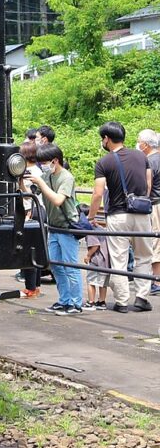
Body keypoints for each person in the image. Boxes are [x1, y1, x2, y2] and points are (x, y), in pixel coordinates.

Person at [88, 121, 153, 313]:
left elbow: (98, 193)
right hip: (141, 214)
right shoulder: (142, 156)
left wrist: (92, 216)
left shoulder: (104, 162)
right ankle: (141, 297)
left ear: (106, 139)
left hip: (117, 215)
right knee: (144, 256)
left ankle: (122, 301)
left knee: (119, 259)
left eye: (103, 138)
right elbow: (148, 185)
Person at [28, 143, 83, 314]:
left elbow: (58, 200)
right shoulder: (46, 175)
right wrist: (22, 183)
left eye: (44, 162)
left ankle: (76, 303)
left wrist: (40, 183)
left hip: (67, 227)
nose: (43, 166)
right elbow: (32, 192)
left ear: (55, 160)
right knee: (56, 265)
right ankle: (64, 300)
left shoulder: (66, 178)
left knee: (70, 266)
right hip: (53, 227)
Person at [17, 141, 44, 298]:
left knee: (29, 250)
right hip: (37, 211)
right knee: (37, 249)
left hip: (32, 212)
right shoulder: (36, 170)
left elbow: (30, 194)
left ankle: (31, 288)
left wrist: (20, 181)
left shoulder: (31, 172)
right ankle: (36, 286)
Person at [135, 128, 160, 296]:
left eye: (139, 141)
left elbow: (147, 187)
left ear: (145, 145)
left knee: (155, 243)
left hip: (155, 205)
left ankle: (156, 280)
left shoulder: (150, 162)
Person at [84, 227, 110, 310]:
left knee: (91, 282)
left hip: (96, 261)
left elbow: (95, 245)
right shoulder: (103, 229)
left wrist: (88, 255)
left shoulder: (91, 230)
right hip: (106, 261)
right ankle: (102, 302)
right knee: (103, 283)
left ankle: (91, 302)